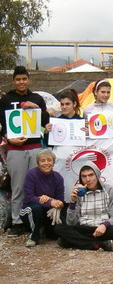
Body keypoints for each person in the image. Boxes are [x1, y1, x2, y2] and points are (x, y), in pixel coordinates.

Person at [0, 66, 49, 236]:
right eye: (18, 79)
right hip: (15, 148)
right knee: (18, 186)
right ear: (14, 81)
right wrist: (8, 138)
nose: (21, 82)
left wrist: (36, 108)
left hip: (35, 146)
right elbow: (3, 125)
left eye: (24, 79)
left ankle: (37, 221)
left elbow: (46, 122)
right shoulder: (6, 99)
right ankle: (17, 221)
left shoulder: (37, 98)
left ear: (29, 80)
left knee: (37, 185)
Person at [54, 162, 113, 251]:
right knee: (59, 228)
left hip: (102, 228)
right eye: (84, 176)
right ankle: (99, 244)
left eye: (91, 175)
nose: (88, 179)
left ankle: (73, 241)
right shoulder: (78, 193)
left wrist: (104, 225)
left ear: (97, 175)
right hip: (84, 227)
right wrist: (72, 202)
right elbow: (71, 223)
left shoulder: (109, 190)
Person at [19, 149, 65, 247]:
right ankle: (34, 236)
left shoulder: (58, 177)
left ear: (53, 162)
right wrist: (49, 202)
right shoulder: (31, 174)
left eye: (49, 160)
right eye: (43, 160)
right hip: (29, 210)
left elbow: (60, 199)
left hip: (48, 211)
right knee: (36, 208)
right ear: (38, 163)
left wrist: (55, 202)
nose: (46, 163)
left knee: (57, 233)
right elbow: (29, 197)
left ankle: (45, 230)